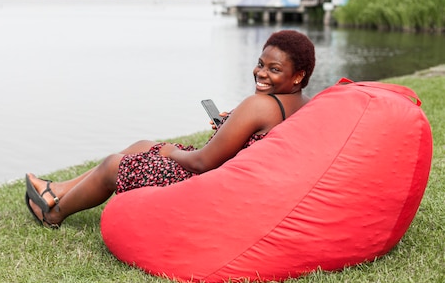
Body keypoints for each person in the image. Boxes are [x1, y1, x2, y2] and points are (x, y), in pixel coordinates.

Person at [24, 29, 316, 229]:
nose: (261, 73)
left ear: (298, 75)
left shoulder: (259, 104)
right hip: (232, 177)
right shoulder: (302, 104)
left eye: (274, 69)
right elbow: (259, 142)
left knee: (115, 165)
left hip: (209, 182)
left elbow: (203, 162)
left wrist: (172, 150)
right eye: (260, 63)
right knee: (142, 145)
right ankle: (57, 190)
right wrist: (232, 125)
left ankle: (52, 213)